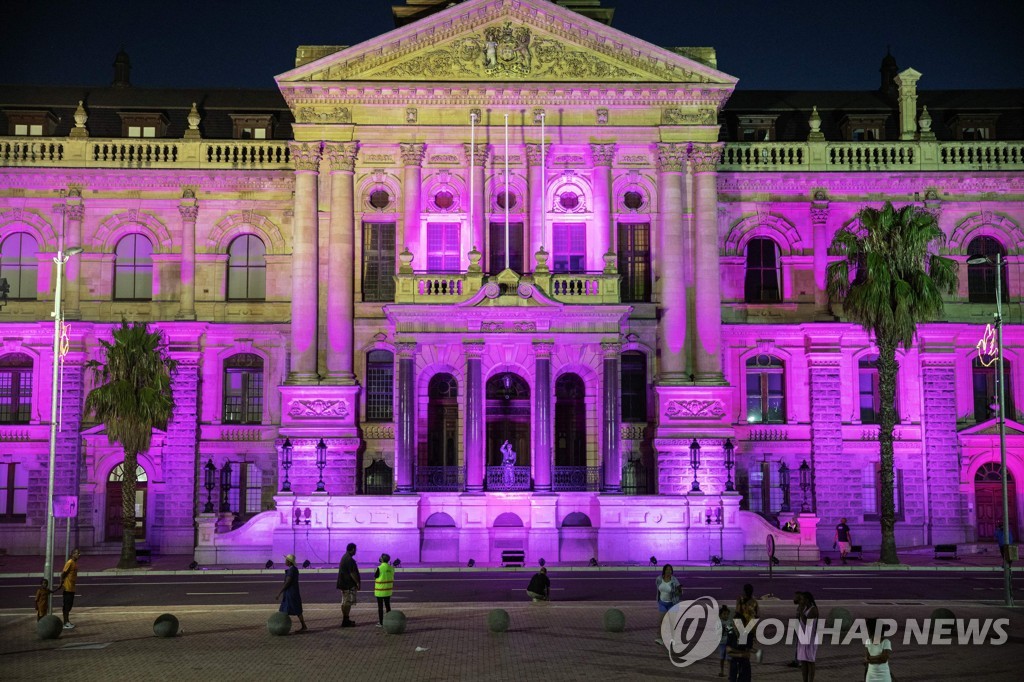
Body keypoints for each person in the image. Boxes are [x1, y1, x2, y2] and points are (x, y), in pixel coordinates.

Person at [276, 554, 307, 632]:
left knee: (285, 610)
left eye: (286, 560)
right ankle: (303, 625)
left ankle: (283, 627)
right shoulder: (294, 569)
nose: (285, 561)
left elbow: (288, 582)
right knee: (296, 609)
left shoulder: (291, 570)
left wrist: (279, 592)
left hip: (290, 593)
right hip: (293, 592)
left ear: (289, 562)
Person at [654, 564, 682, 645]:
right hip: (662, 603)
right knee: (661, 621)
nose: (668, 571)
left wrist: (678, 591)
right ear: (664, 570)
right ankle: (660, 638)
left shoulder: (674, 580)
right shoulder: (659, 579)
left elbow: (679, 591)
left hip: (672, 604)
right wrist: (658, 600)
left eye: (670, 569)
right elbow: (658, 589)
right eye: (667, 569)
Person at [726, 606, 756, 682]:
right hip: (734, 666)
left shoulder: (746, 635)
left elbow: (747, 654)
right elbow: (728, 652)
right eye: (735, 623)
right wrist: (741, 654)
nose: (736, 625)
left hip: (744, 667)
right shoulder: (731, 634)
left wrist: (733, 651)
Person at [796, 591, 818, 682]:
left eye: (802, 599)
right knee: (803, 661)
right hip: (803, 637)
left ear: (807, 600)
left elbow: (807, 623)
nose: (800, 601)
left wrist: (801, 611)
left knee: (810, 661)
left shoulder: (813, 610)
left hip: (810, 638)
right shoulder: (805, 608)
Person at [336, 542, 360, 627]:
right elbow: (352, 573)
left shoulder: (345, 557)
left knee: (344, 602)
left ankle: (345, 619)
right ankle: (345, 620)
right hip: (348, 585)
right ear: (353, 549)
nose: (356, 551)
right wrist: (357, 583)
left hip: (343, 584)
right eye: (355, 550)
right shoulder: (349, 559)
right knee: (347, 603)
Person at [864, 617, 893, 682]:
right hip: (870, 676)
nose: (867, 631)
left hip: (884, 675)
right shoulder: (868, 641)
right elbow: (866, 658)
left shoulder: (886, 642)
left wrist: (870, 659)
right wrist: (879, 657)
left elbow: (884, 659)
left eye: (868, 629)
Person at [60, 548, 81, 629]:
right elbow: (63, 573)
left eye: (79, 553)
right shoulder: (70, 562)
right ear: (72, 554)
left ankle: (67, 622)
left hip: (72, 587)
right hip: (67, 587)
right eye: (77, 553)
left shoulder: (74, 563)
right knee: (67, 606)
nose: (79, 554)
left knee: (69, 605)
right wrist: (61, 583)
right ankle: (65, 623)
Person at [374, 553, 395, 628]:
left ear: (382, 559)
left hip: (380, 591)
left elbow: (375, 576)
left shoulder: (379, 568)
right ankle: (389, 620)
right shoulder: (391, 568)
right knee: (388, 606)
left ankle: (381, 622)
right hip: (388, 591)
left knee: (380, 607)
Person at [718, 604, 734, 678]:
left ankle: (730, 673)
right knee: (722, 658)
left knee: (729, 659)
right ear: (720, 615)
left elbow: (730, 633)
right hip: (721, 643)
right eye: (724, 614)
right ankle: (722, 671)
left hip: (728, 643)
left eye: (727, 614)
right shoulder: (719, 622)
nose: (726, 616)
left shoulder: (729, 622)